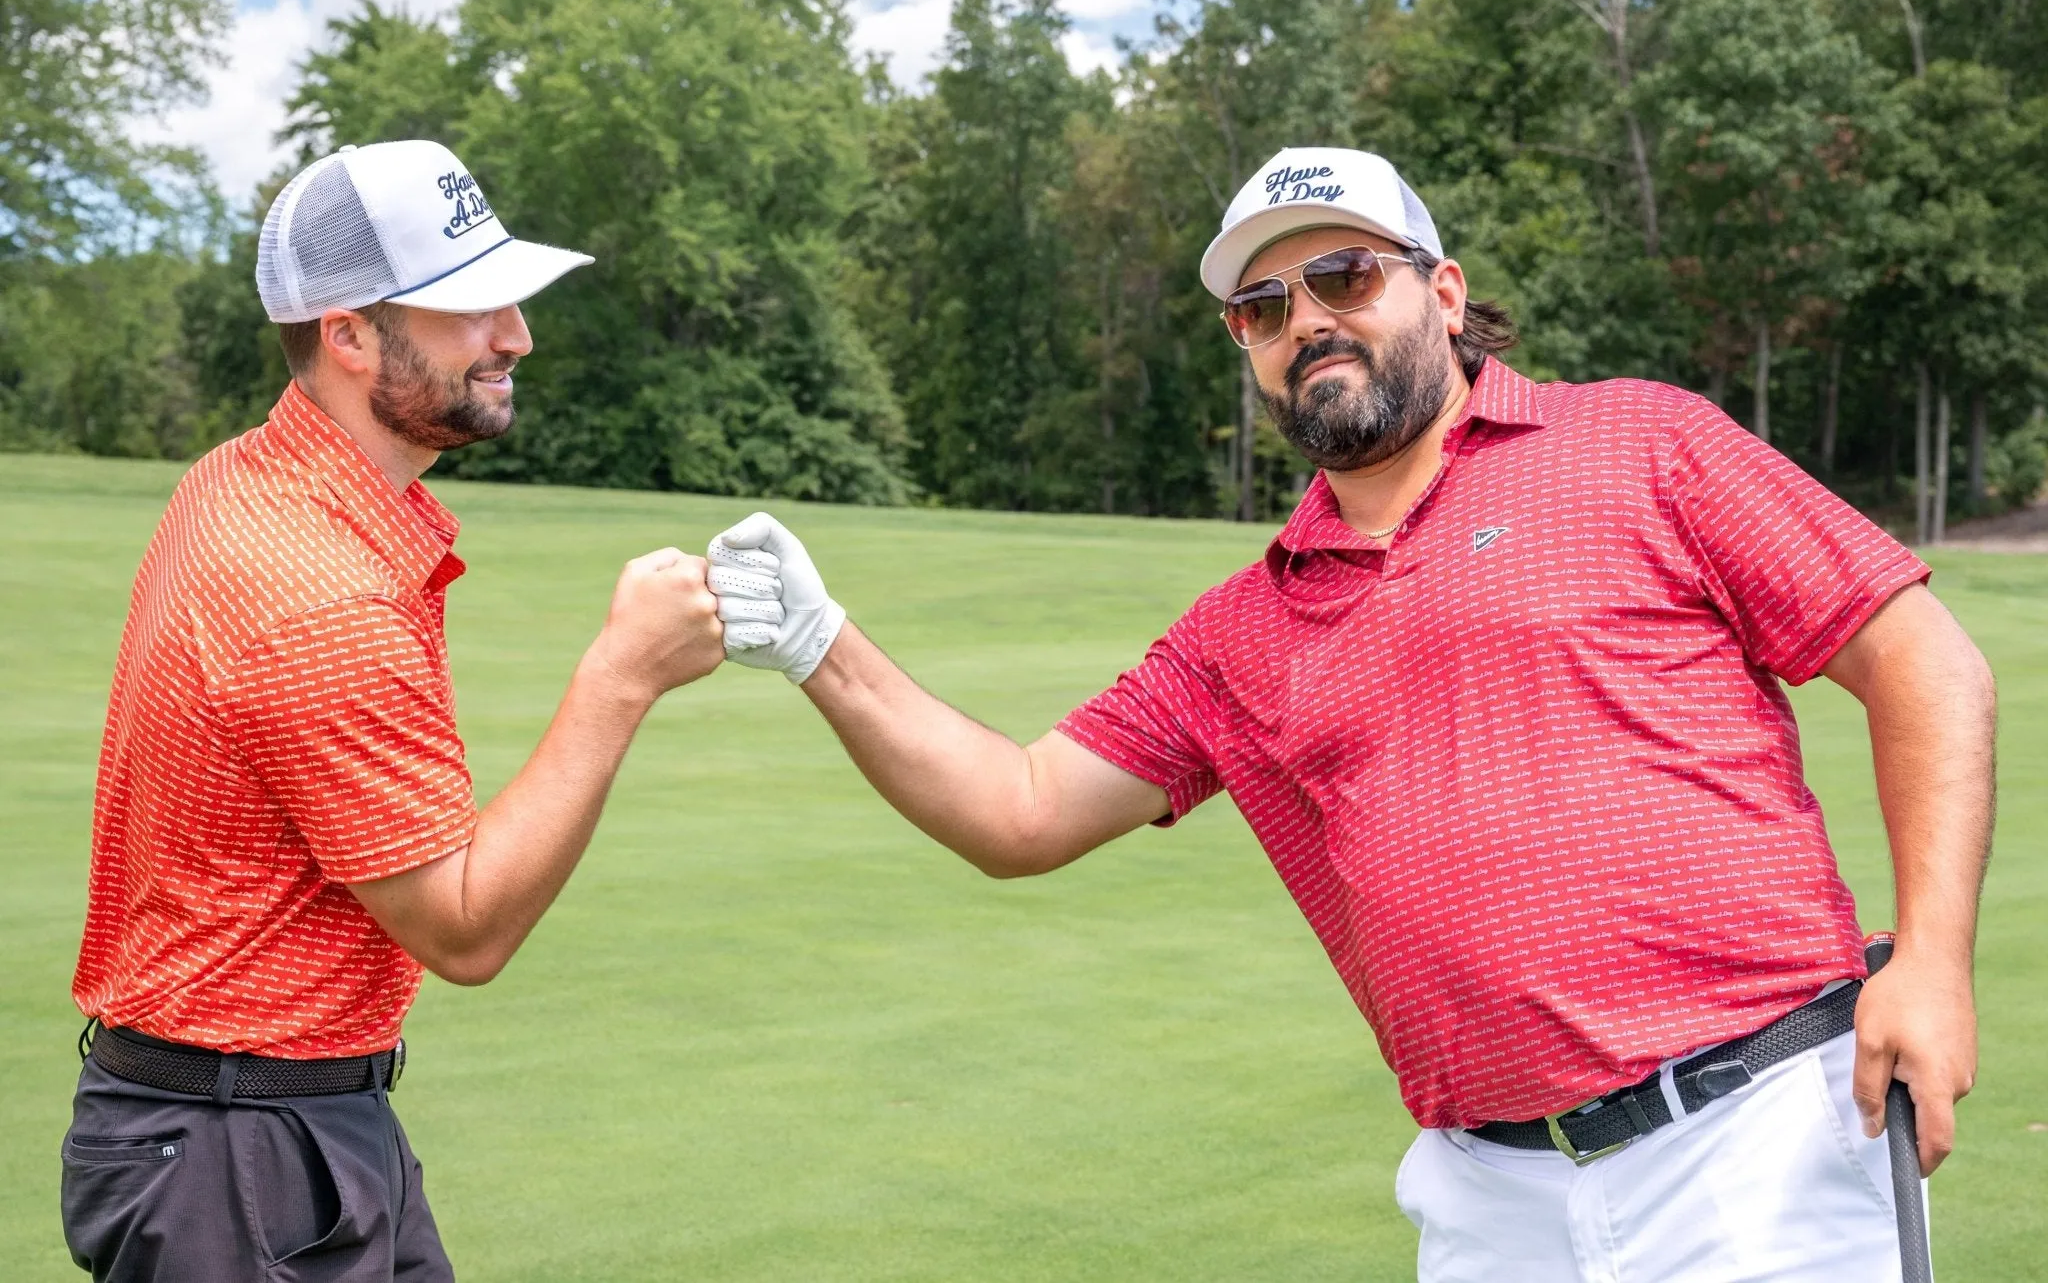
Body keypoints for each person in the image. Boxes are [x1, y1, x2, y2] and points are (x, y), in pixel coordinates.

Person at [704, 146, 1995, 1280]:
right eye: (1262, 306)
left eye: (1344, 279)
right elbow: (1022, 810)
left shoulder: (1641, 444)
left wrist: (1932, 962)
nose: (1303, 320)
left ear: (1440, 291)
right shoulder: (1240, 631)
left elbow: (1924, 665)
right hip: (1489, 1202)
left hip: (1757, 1142)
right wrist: (826, 646)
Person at [63, 140, 726, 1282]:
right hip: (240, 1157)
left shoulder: (239, 475)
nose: (514, 333)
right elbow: (463, 926)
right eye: (468, 304)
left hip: (268, 1125)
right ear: (350, 333)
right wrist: (623, 673)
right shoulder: (315, 590)